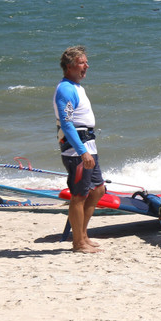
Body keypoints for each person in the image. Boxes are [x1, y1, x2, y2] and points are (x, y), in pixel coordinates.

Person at [53, 45, 107, 252]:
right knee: (79, 195)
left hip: (88, 144)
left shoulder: (77, 87)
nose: (87, 66)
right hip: (76, 149)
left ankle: (83, 235)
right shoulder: (65, 89)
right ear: (69, 66)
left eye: (86, 62)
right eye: (82, 62)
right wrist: (82, 152)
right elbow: (67, 124)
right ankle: (78, 243)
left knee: (98, 189)